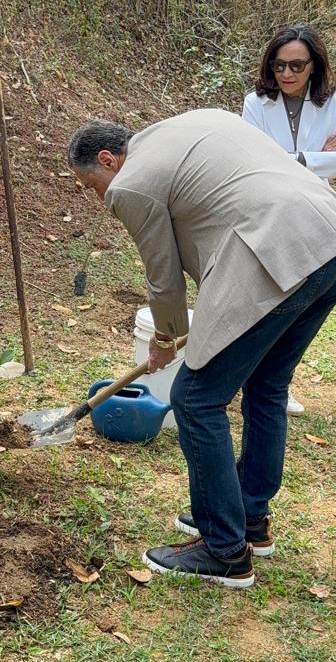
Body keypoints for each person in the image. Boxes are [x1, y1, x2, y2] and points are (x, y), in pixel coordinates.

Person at [67, 110, 336, 589]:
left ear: (108, 161)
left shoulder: (132, 182)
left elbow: (162, 275)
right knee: (267, 383)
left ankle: (224, 549)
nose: (99, 197)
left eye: (92, 186)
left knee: (195, 397)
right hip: (326, 239)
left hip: (271, 250)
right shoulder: (193, 122)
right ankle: (250, 517)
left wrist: (166, 338)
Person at [242, 23, 336, 416]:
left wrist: (289, 160)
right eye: (279, 66)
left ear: (314, 65)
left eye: (297, 65)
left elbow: (273, 158)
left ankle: (279, 380)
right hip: (271, 210)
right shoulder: (255, 103)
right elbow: (252, 159)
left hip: (321, 214)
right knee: (268, 294)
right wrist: (317, 159)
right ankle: (253, 377)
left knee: (301, 302)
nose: (287, 74)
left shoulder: (333, 102)